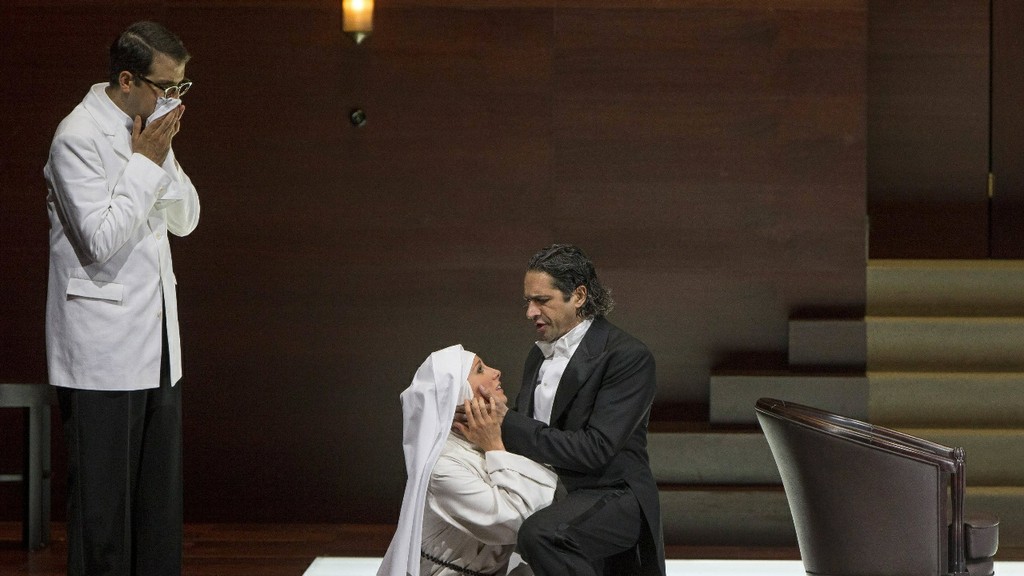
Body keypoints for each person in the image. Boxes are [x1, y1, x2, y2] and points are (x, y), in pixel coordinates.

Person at [43, 21, 199, 576]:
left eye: (182, 87)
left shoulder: (150, 131)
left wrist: (160, 156)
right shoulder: (76, 136)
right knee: (103, 516)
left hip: (158, 345)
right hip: (102, 351)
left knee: (158, 511)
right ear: (127, 80)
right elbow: (100, 241)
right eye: (166, 87)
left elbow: (186, 219)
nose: (175, 101)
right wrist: (145, 162)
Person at [499, 244, 666, 576]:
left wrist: (506, 422)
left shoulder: (627, 356)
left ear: (578, 296)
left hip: (612, 493)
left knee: (542, 534)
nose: (530, 312)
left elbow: (595, 449)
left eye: (541, 300)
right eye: (527, 301)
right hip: (549, 489)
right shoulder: (537, 355)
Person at [378, 345, 558, 576]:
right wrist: (494, 447)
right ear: (457, 393)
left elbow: (550, 494)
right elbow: (517, 523)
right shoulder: (442, 467)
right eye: (480, 369)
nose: (496, 372)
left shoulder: (488, 438)